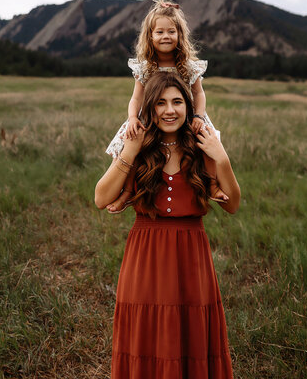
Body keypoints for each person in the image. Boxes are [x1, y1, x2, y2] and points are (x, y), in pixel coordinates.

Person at [95, 72, 240, 378]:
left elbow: (232, 205)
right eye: (160, 103)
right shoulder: (137, 142)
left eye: (177, 102)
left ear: (189, 106)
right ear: (150, 107)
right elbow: (100, 197)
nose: (169, 110)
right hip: (145, 253)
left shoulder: (203, 144)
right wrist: (130, 152)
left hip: (192, 253)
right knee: (147, 332)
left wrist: (221, 157)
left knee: (190, 334)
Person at [105, 0, 226, 212]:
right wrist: (133, 118)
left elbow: (198, 93)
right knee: (129, 144)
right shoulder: (146, 67)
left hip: (185, 116)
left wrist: (198, 117)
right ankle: (126, 192)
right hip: (150, 116)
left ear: (180, 35)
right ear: (150, 36)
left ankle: (213, 185)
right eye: (159, 32)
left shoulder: (187, 66)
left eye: (171, 31)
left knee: (209, 141)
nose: (165, 36)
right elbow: (136, 98)